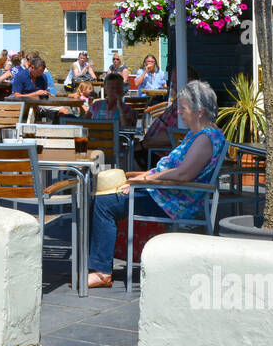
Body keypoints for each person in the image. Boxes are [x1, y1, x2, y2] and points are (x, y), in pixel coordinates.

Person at [88, 80, 226, 288]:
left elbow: (183, 174)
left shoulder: (206, 138)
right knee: (101, 198)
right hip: (165, 194)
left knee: (104, 204)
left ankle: (101, 271)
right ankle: (98, 263)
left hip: (173, 201)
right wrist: (141, 178)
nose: (179, 112)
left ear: (200, 111)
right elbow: (176, 172)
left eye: (183, 108)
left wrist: (144, 180)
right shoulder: (198, 134)